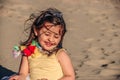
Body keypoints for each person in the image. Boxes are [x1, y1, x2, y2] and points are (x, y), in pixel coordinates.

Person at [9, 8, 75, 80]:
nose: (51, 39)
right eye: (47, 34)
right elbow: (23, 73)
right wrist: (20, 77)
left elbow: (70, 76)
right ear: (36, 31)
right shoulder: (29, 51)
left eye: (56, 36)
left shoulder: (60, 54)